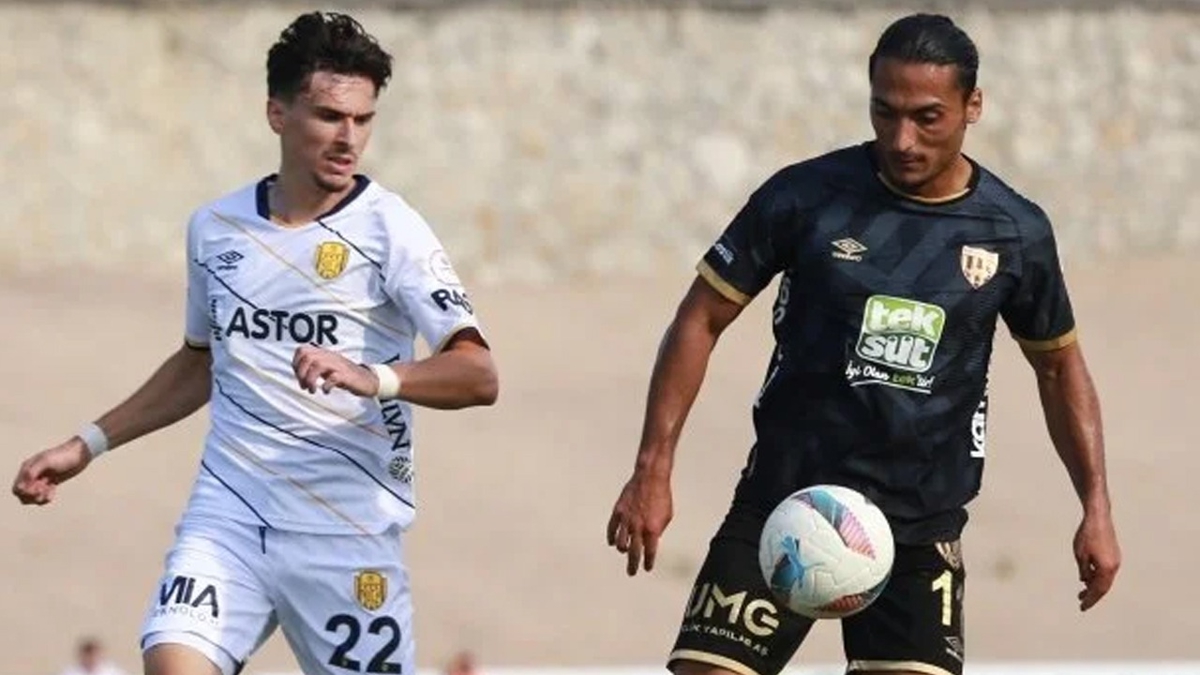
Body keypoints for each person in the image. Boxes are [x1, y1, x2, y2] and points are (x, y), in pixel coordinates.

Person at [606, 12, 1120, 675]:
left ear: (973, 106)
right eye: (885, 112)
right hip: (786, 503)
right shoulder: (805, 197)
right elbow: (700, 318)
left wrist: (1095, 507)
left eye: (927, 118)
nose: (902, 139)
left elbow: (1058, 368)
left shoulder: (1014, 231)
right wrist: (652, 468)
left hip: (919, 528)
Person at [13, 12, 498, 675]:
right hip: (229, 516)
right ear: (277, 113)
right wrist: (86, 444)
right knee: (170, 664)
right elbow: (200, 362)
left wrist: (376, 377)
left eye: (363, 119)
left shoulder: (392, 230)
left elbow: (478, 373)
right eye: (329, 116)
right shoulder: (215, 229)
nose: (349, 138)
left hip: (345, 533)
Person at [57, 638, 127, 675]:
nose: (92, 659)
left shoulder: (112, 672)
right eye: (89, 656)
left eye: (95, 655)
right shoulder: (71, 672)